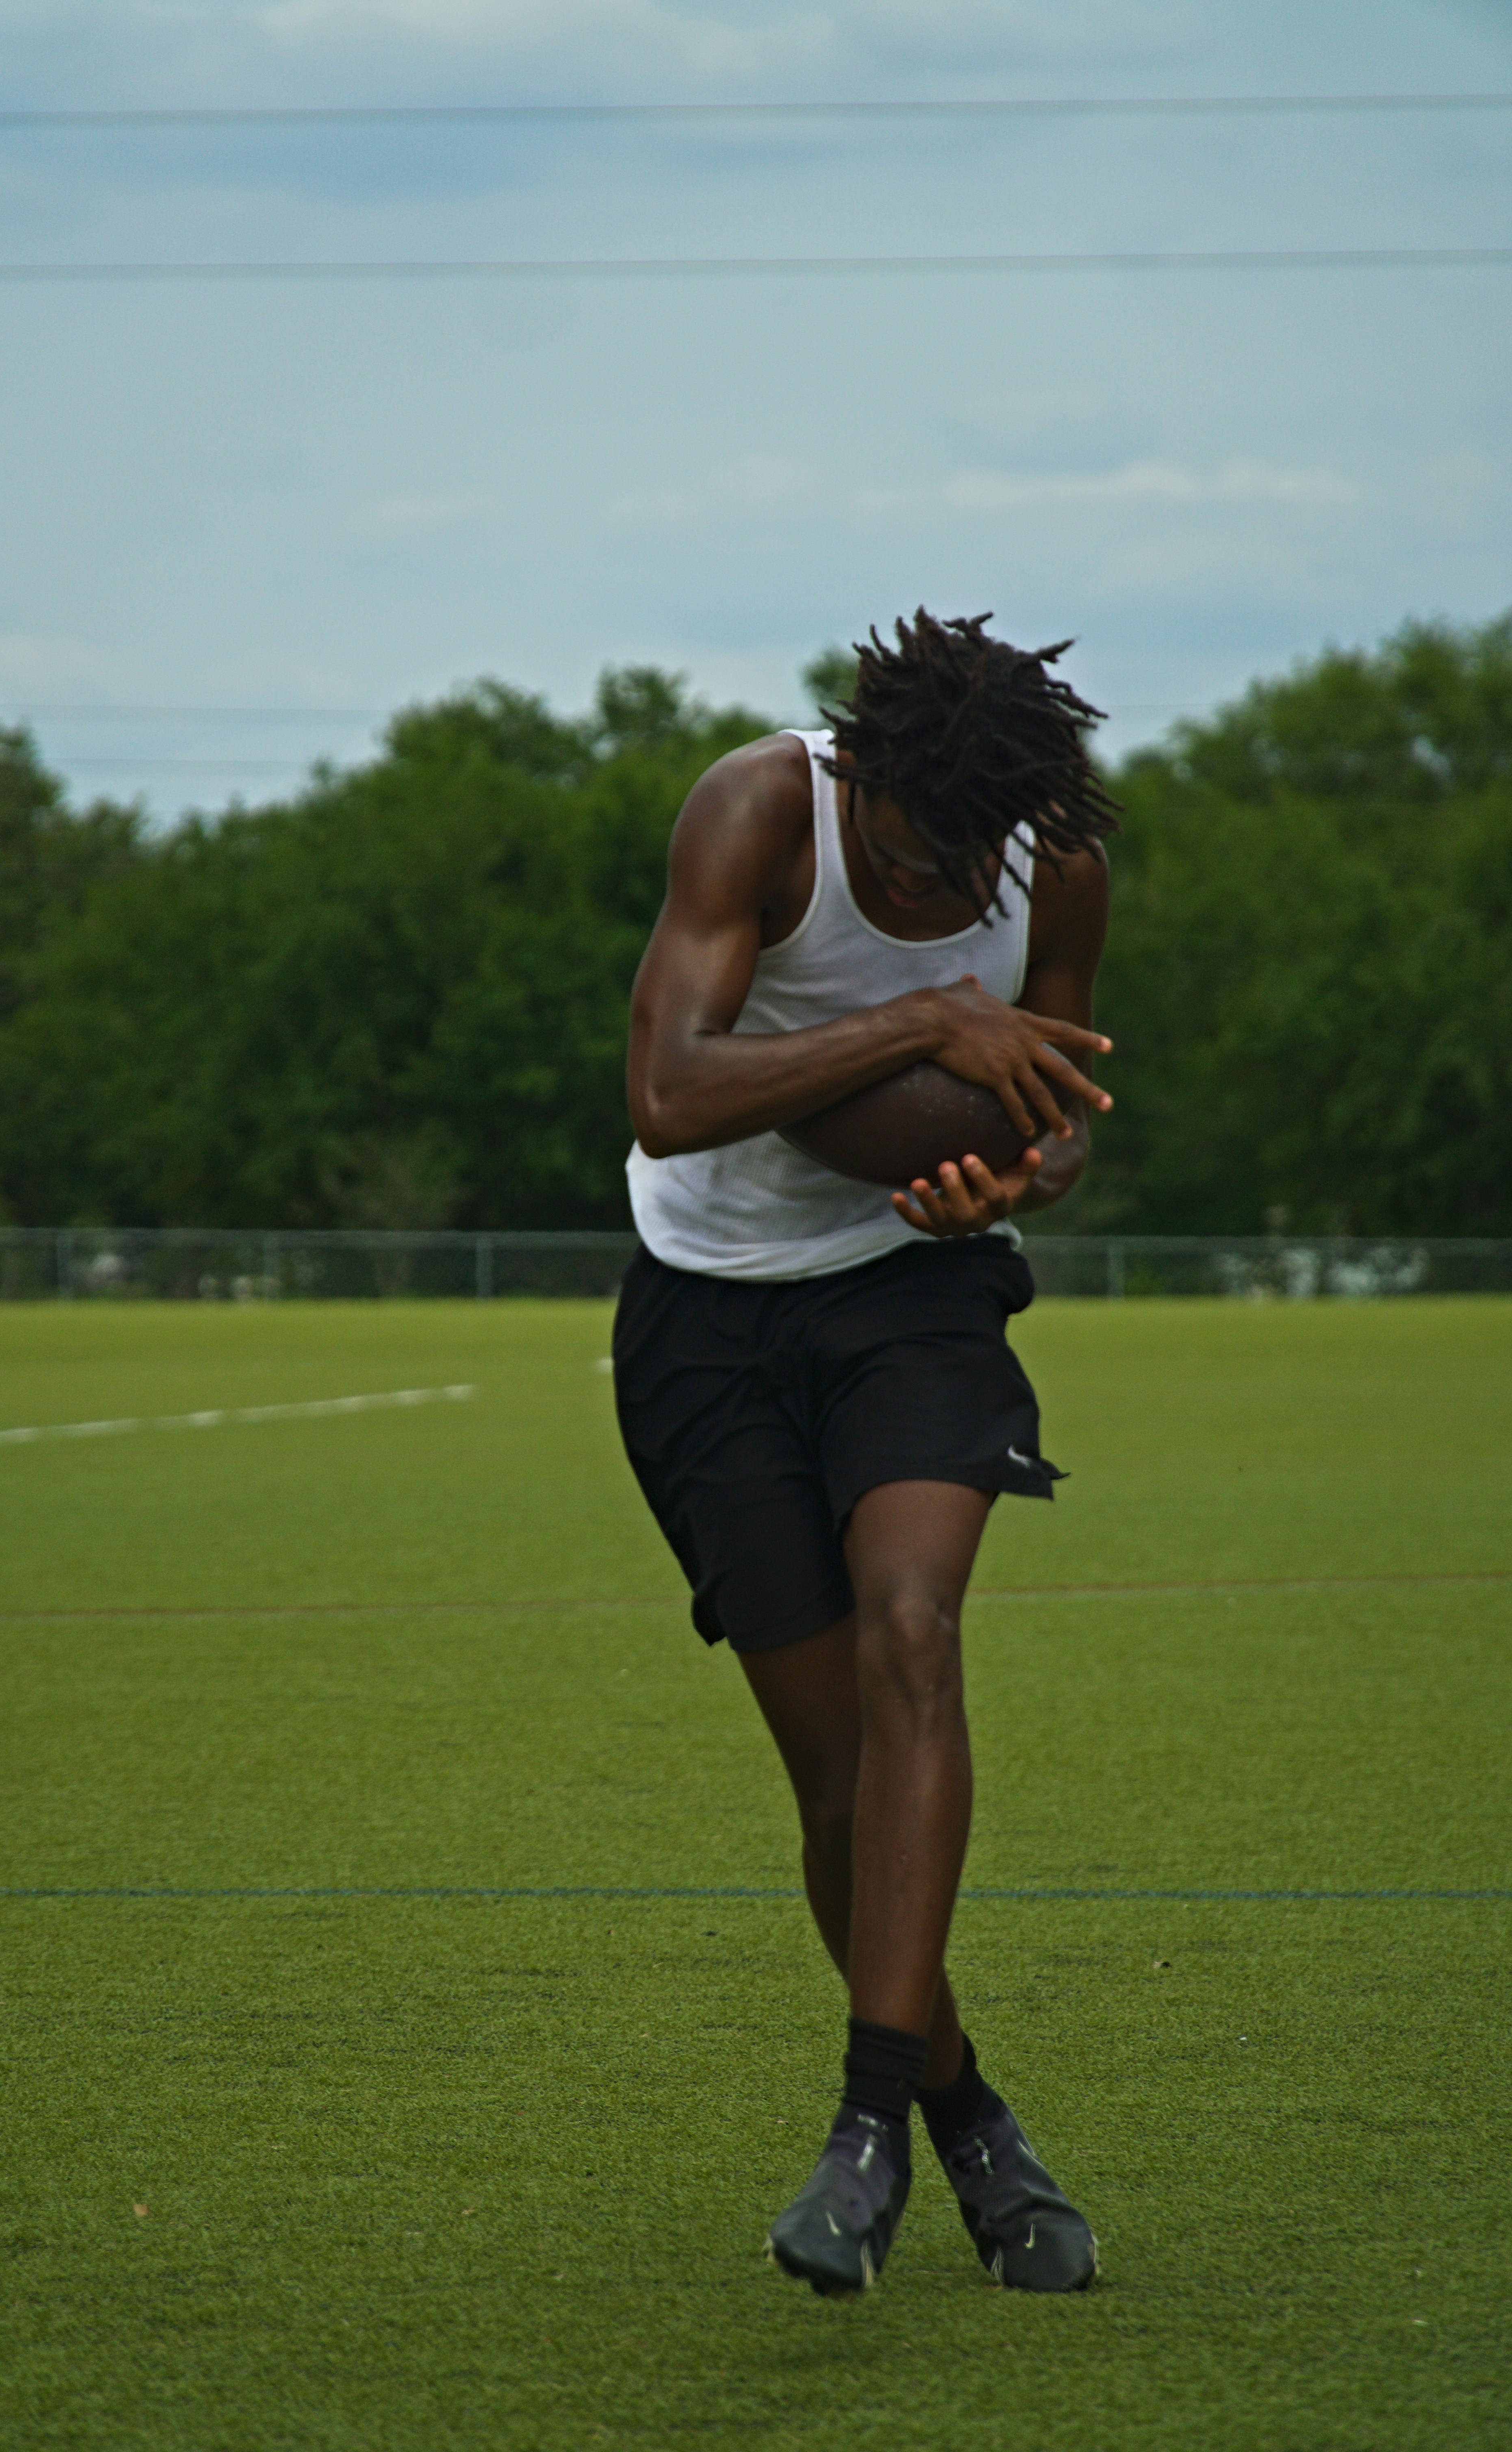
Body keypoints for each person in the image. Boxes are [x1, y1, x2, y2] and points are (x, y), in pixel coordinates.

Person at [612, 609, 1117, 2298]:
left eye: (964, 872)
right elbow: (670, 1092)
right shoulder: (756, 811)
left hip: (913, 1294)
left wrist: (1017, 1176)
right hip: (706, 1318)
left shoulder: (1057, 869)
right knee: (833, 1777)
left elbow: (1045, 1112)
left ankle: (862, 2134)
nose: (931, 902)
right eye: (904, 859)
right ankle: (972, 2116)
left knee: (917, 1634)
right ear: (857, 781)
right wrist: (915, 1028)